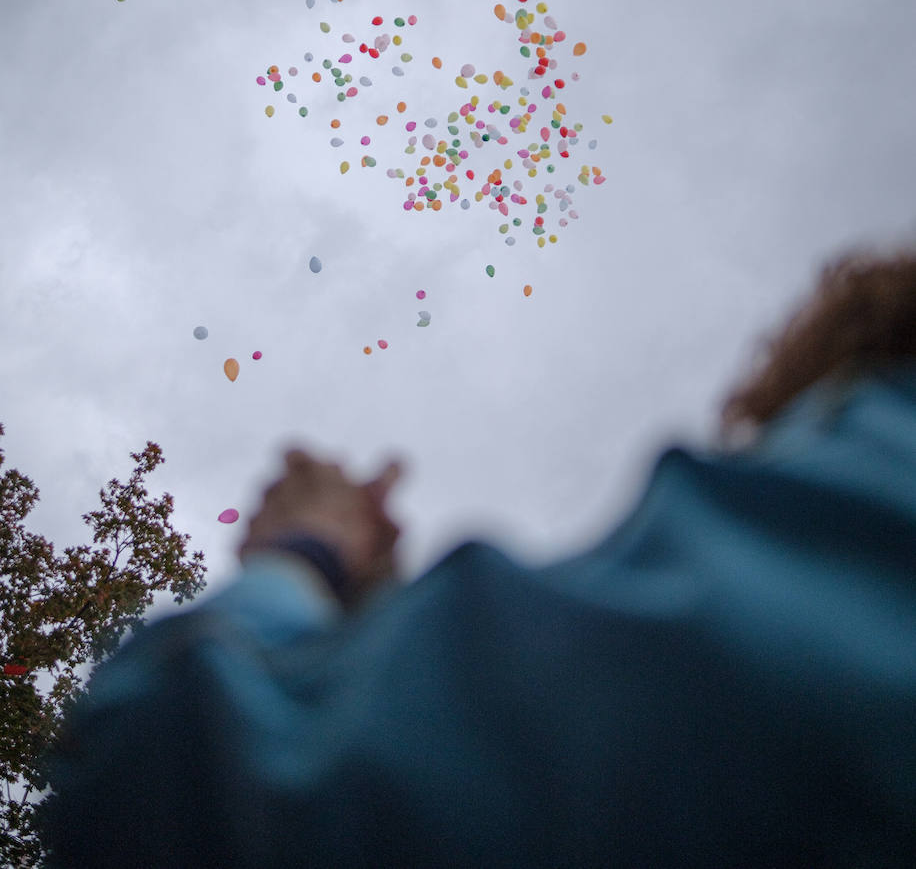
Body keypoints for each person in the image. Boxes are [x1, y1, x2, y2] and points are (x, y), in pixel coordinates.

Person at [41, 246, 916, 866]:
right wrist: (370, 639)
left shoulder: (879, 466)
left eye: (791, 439)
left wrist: (303, 557)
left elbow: (177, 788)